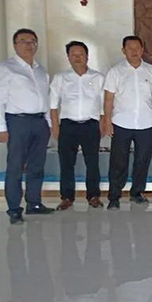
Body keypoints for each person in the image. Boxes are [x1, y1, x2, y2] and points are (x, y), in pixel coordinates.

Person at [0, 28, 54, 224]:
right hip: (18, 122)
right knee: (15, 166)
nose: (29, 45)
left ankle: (34, 203)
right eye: (23, 41)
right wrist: (1, 127)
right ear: (15, 45)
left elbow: (46, 98)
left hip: (40, 122)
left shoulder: (41, 71)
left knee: (37, 165)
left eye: (32, 41)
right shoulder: (6, 68)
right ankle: (14, 208)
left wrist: (48, 124)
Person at [103, 36, 152, 210]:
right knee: (118, 161)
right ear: (123, 50)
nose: (134, 51)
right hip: (121, 122)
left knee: (142, 160)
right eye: (130, 48)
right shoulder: (115, 71)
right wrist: (107, 121)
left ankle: (137, 192)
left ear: (142, 50)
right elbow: (109, 98)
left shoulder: (151, 71)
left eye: (137, 48)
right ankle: (114, 196)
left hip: (146, 123)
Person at [50, 41, 105, 210]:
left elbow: (104, 104)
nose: (77, 57)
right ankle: (67, 197)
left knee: (92, 163)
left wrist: (103, 123)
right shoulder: (60, 78)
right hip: (68, 125)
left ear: (87, 56)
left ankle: (93, 196)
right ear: (68, 57)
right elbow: (53, 105)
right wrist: (55, 126)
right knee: (66, 164)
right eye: (73, 54)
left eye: (81, 54)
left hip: (91, 125)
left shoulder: (98, 78)